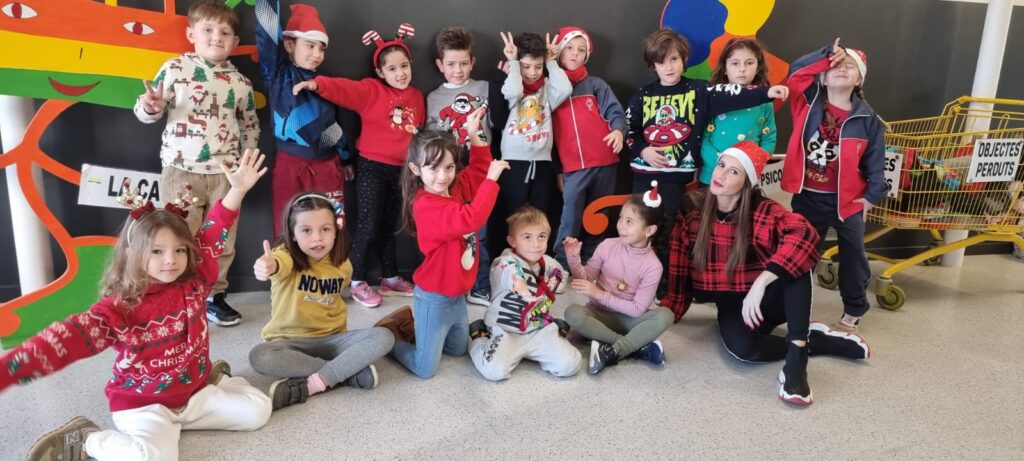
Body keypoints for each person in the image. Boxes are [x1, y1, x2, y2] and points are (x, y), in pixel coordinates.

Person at [5, 149, 270, 461]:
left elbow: (213, 230)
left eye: (180, 250)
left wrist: (237, 190)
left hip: (194, 393)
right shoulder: (119, 308)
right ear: (132, 253)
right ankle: (87, 440)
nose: (171, 260)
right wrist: (6, 371)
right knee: (152, 458)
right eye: (156, 251)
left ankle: (215, 379)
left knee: (259, 411)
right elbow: (64, 339)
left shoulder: (196, 278)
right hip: (144, 405)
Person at [663, 141, 870, 405]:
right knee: (744, 350)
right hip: (733, 303)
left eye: (734, 171)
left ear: (747, 182)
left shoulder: (761, 209)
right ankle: (815, 341)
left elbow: (804, 233)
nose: (721, 174)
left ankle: (796, 362)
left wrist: (763, 280)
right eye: (721, 165)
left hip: (767, 297)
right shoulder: (693, 206)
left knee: (796, 259)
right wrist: (672, 309)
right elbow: (679, 258)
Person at [134, 0, 260, 326]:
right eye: (208, 29)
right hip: (180, 170)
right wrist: (151, 106)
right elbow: (146, 112)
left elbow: (249, 125)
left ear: (234, 41)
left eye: (225, 32)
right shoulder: (175, 69)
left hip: (226, 174)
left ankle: (214, 296)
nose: (216, 37)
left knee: (222, 239)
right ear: (191, 34)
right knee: (177, 238)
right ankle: (179, 296)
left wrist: (246, 161)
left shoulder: (240, 83)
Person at [293, 23, 425, 307]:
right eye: (392, 69)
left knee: (390, 225)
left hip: (402, 171)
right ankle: (356, 280)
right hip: (372, 167)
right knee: (368, 223)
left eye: (404, 66)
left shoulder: (416, 96)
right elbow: (344, 88)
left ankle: (390, 276)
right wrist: (318, 84)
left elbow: (417, 133)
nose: (400, 73)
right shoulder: (371, 91)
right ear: (380, 72)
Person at [378, 108, 509, 378]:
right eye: (433, 168)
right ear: (416, 169)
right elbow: (471, 218)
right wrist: (491, 181)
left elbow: (478, 170)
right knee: (424, 368)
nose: (443, 176)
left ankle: (417, 327)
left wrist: (474, 134)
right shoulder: (426, 204)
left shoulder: (453, 188)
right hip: (434, 297)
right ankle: (390, 334)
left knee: (457, 350)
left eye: (449, 167)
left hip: (456, 295)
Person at [249, 192, 394, 411]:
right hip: (289, 342)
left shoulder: (343, 265)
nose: (317, 238)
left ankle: (313, 383)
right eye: (306, 230)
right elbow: (276, 263)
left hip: (333, 340)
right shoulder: (285, 256)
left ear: (336, 231)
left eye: (325, 229)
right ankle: (346, 373)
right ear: (293, 234)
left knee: (383, 336)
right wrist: (267, 266)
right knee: (259, 355)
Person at [781, 38, 887, 334]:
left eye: (850, 66)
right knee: (798, 253)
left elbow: (876, 163)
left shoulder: (868, 120)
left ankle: (853, 310)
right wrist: (827, 54)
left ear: (859, 79)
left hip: (847, 202)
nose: (842, 69)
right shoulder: (807, 102)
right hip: (807, 197)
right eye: (836, 66)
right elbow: (795, 73)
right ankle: (793, 306)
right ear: (824, 76)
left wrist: (871, 198)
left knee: (853, 256)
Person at [254, 0, 353, 237]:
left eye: (321, 48)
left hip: (328, 166)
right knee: (286, 228)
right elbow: (267, 33)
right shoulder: (278, 74)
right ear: (289, 44)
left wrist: (345, 158)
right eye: (310, 45)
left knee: (333, 227)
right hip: (290, 164)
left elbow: (334, 126)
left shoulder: (326, 84)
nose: (317, 54)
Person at [563, 184, 674, 375]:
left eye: (629, 222)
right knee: (572, 313)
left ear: (649, 230)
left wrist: (599, 294)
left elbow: (637, 309)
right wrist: (573, 258)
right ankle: (634, 347)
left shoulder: (653, 266)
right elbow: (585, 278)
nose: (621, 225)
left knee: (665, 315)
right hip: (599, 315)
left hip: (631, 320)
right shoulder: (607, 245)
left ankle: (611, 349)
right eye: (621, 218)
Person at [468, 205, 580, 381]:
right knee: (494, 371)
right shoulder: (504, 261)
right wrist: (519, 282)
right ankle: (479, 336)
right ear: (513, 241)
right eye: (527, 237)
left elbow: (569, 280)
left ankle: (555, 330)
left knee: (570, 365)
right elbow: (511, 270)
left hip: (538, 329)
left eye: (541, 236)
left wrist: (572, 259)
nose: (536, 244)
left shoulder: (551, 265)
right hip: (507, 331)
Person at [425, 26, 493, 306]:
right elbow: (429, 139)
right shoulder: (433, 98)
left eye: (463, 63)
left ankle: (480, 285)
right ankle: (455, 282)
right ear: (440, 64)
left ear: (472, 62)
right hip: (447, 170)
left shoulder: (484, 88)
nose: (458, 70)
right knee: (454, 230)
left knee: (480, 230)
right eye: (451, 64)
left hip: (478, 163)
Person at [550, 26, 628, 269]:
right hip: (573, 166)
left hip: (605, 161)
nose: (575, 53)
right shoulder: (551, 89)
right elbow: (547, 136)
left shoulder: (596, 85)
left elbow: (615, 112)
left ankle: (593, 261)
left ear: (587, 55)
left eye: (581, 49)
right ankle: (562, 265)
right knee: (570, 217)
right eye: (569, 48)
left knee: (599, 214)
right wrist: (558, 171)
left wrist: (618, 131)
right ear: (559, 52)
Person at [494, 31, 572, 249]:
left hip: (543, 162)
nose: (532, 72)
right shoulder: (513, 87)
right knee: (510, 214)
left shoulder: (547, 89)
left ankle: (539, 258)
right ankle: (506, 259)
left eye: (538, 66)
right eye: (526, 66)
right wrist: (513, 63)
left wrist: (551, 62)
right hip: (513, 162)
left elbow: (565, 88)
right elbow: (513, 91)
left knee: (541, 216)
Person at [699, 38, 777, 187]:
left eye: (749, 63)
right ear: (725, 68)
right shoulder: (714, 98)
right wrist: (721, 165)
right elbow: (703, 137)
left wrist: (750, 164)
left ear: (758, 67)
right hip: (711, 176)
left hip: (744, 177)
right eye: (735, 63)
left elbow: (769, 139)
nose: (742, 69)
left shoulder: (765, 103)